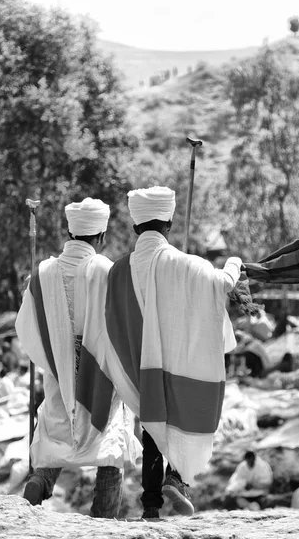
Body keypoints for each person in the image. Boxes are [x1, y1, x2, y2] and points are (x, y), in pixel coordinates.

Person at [103, 186, 242, 518]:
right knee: (186, 420)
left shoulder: (117, 270)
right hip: (181, 364)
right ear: (168, 223)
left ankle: (151, 505)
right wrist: (235, 264)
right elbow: (222, 284)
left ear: (136, 226)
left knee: (152, 428)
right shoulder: (186, 263)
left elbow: (109, 322)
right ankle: (177, 477)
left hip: (141, 369)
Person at [16, 197, 140, 517]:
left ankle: (41, 480)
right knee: (109, 449)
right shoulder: (107, 270)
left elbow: (26, 328)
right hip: (101, 374)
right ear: (99, 237)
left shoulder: (42, 272)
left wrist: (56, 360)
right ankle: (102, 521)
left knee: (58, 432)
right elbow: (123, 324)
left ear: (70, 233)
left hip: (59, 374)